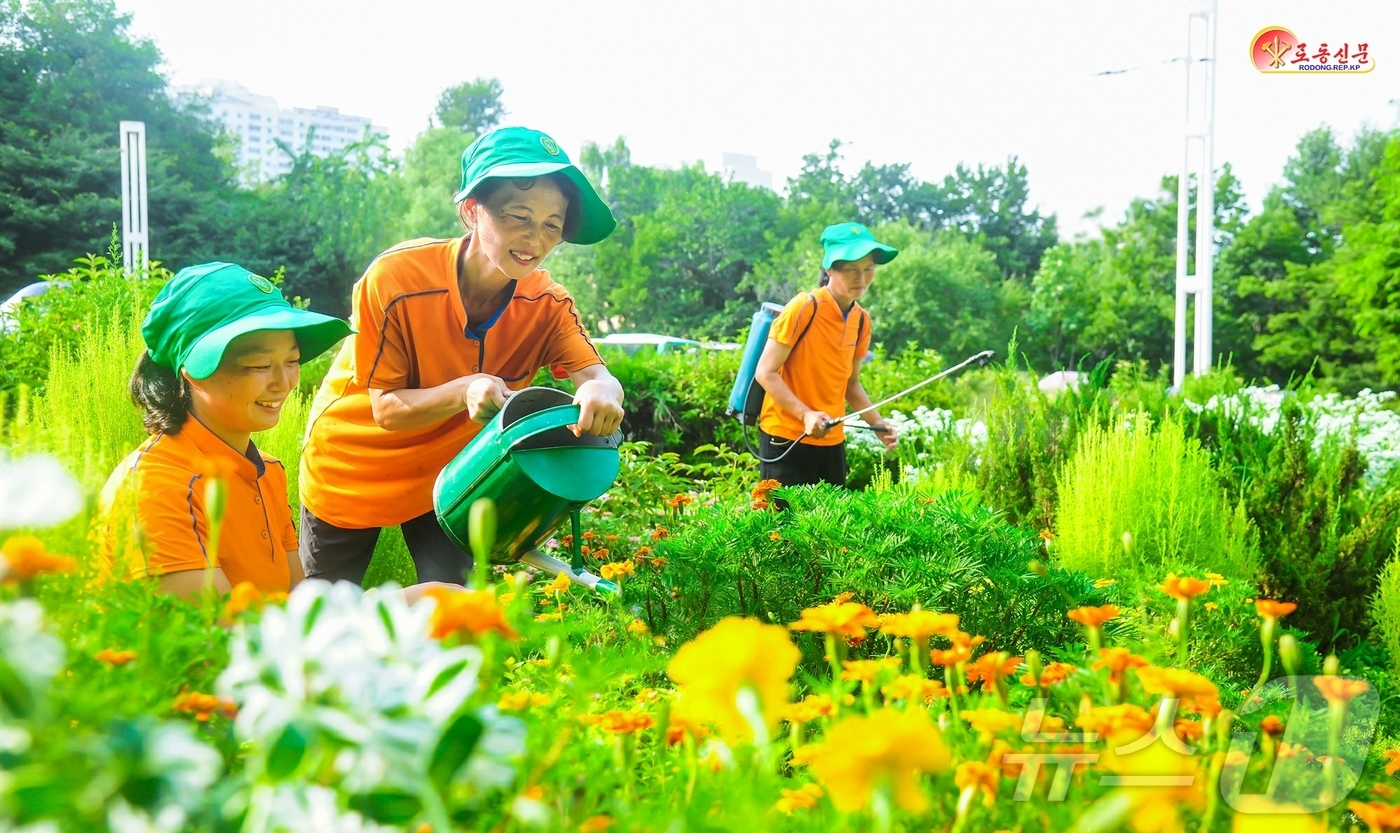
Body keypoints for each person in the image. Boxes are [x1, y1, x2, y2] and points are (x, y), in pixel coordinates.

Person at [298, 126, 626, 587]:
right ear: (471, 210)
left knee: (454, 608)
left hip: (453, 476)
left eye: (552, 225)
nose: (535, 239)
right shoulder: (395, 278)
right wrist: (465, 390)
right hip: (352, 465)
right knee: (326, 611)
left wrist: (600, 390)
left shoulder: (548, 305)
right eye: (519, 217)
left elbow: (599, 377)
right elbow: (386, 408)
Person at [99, 262, 352, 597]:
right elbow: (216, 626)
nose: (284, 382)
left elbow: (297, 605)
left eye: (292, 361)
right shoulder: (155, 487)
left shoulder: (268, 472)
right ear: (194, 369)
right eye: (260, 365)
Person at [753, 222, 900, 490]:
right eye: (852, 269)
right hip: (785, 438)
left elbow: (851, 384)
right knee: (783, 519)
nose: (862, 278)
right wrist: (806, 414)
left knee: (830, 518)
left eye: (868, 269)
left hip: (831, 441)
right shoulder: (803, 307)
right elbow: (765, 372)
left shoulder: (861, 320)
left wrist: (878, 425)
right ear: (830, 268)